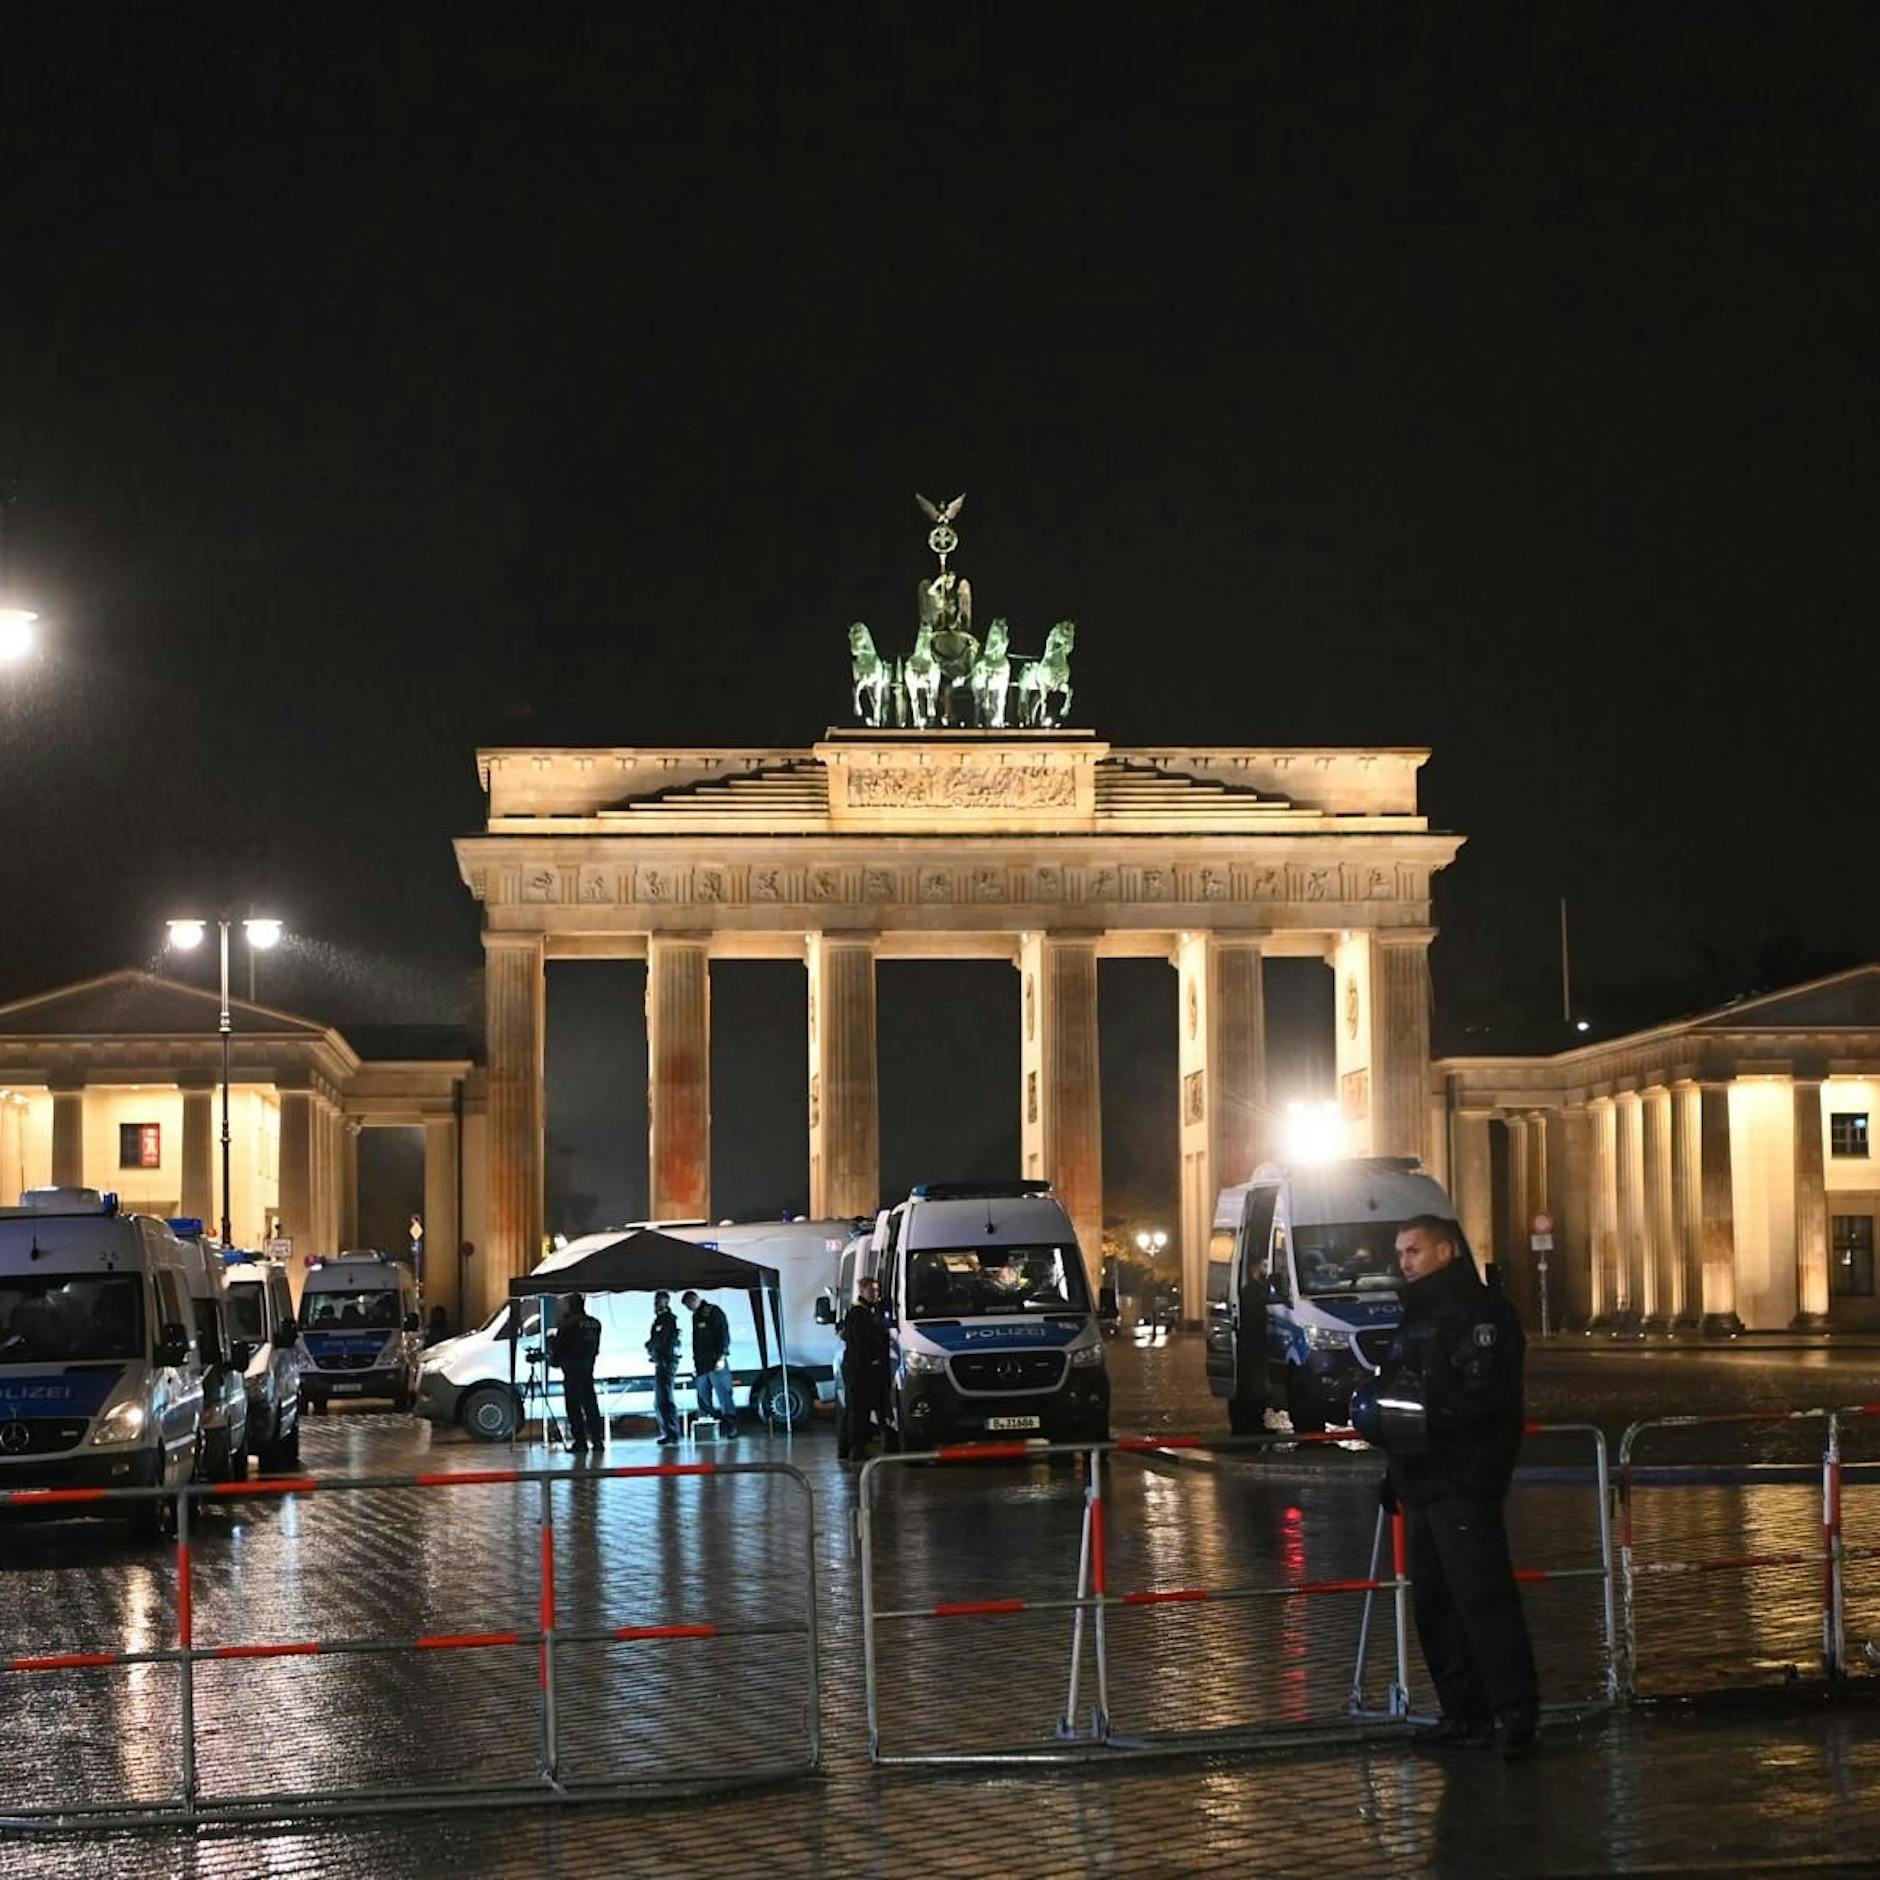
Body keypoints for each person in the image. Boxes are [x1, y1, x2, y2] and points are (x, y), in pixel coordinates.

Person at [1366, 1214, 1539, 1760]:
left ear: (1445, 1252)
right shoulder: (1416, 1313)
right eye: (1400, 1252)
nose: (1403, 1262)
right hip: (1421, 1478)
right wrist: (1395, 1468)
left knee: (1482, 1600)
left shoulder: (1482, 1314)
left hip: (1463, 1477)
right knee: (1436, 1606)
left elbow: (1479, 1397)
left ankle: (1512, 1713)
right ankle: (1463, 1713)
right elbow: (1401, 1388)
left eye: (1413, 1251)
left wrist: (1427, 1416)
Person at [837, 1275, 891, 1462]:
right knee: (859, 1410)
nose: (874, 1294)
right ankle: (856, 1451)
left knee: (852, 1408)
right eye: (871, 1290)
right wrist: (874, 1358)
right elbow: (863, 1341)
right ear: (862, 1291)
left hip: (856, 1366)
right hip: (859, 1368)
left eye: (876, 1290)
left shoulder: (862, 1311)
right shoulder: (860, 1313)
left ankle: (846, 1449)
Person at [547, 1290, 605, 1454]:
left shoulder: (566, 1326)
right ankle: (597, 1441)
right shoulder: (595, 1324)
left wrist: (551, 1342)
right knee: (591, 1407)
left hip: (571, 1372)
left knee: (574, 1409)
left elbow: (557, 1355)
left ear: (571, 1306)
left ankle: (580, 1442)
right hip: (587, 1371)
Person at [681, 1288, 737, 1436]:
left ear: (694, 1300)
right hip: (701, 1364)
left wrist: (722, 1356)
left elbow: (724, 1334)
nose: (689, 1309)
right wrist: (695, 1364)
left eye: (689, 1305)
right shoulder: (696, 1316)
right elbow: (696, 1342)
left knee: (724, 1395)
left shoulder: (713, 1311)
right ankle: (707, 1428)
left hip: (715, 1361)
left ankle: (731, 1426)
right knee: (703, 1396)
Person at [646, 1288, 682, 1445]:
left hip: (666, 1363)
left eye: (658, 1301)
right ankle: (667, 1432)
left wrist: (655, 1350)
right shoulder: (660, 1320)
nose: (655, 1304)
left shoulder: (667, 1320)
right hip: (661, 1362)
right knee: (660, 1400)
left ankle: (672, 1433)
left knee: (665, 1399)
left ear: (666, 1301)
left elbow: (664, 1341)